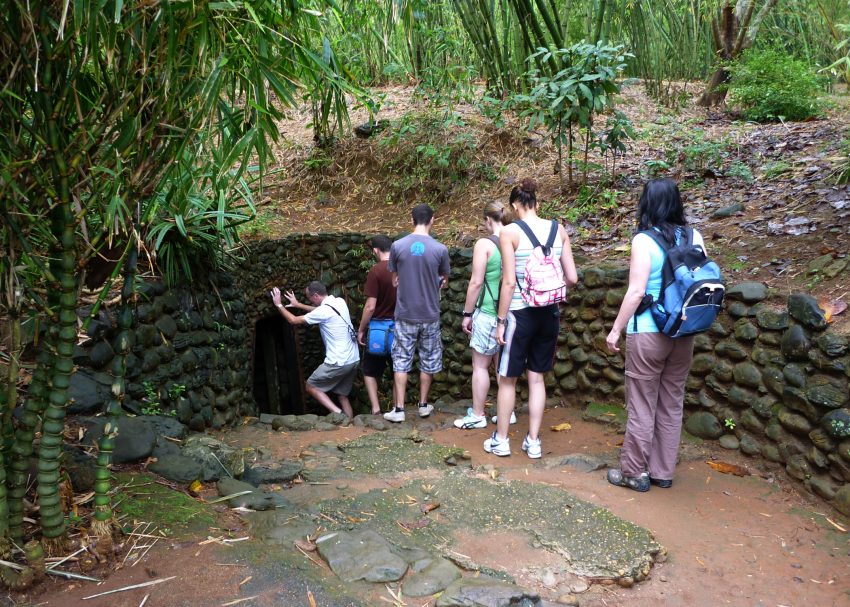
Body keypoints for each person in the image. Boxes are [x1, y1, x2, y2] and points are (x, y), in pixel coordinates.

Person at [604, 179, 703, 491]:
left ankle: (634, 471)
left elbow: (636, 293)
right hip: (683, 331)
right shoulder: (694, 235)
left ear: (647, 204)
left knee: (642, 404)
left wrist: (616, 330)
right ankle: (662, 471)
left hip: (648, 331)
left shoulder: (644, 241)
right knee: (672, 402)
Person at [485, 179, 578, 458]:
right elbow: (572, 277)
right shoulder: (558, 229)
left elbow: (509, 283)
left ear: (514, 204)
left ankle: (501, 440)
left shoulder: (510, 233)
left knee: (507, 379)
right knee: (537, 379)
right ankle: (534, 441)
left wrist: (500, 321)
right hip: (549, 314)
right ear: (537, 202)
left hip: (519, 314)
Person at [383, 203, 451, 423]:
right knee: (428, 360)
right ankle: (423, 405)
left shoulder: (397, 246)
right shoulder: (440, 249)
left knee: (401, 360)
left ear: (411, 220)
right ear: (432, 220)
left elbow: (394, 280)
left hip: (404, 314)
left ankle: (399, 409)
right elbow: (444, 281)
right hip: (430, 314)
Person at [454, 201, 512, 430]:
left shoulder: (485, 244)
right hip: (508, 313)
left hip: (488, 311)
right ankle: (507, 413)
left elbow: (476, 282)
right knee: (502, 366)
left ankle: (478, 414)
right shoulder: (514, 239)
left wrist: (467, 314)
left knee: (480, 365)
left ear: (488, 220)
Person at [270, 282, 359, 419]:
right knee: (342, 396)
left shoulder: (323, 311)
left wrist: (278, 304)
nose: (309, 300)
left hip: (338, 361)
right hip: (353, 359)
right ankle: (352, 425)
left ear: (316, 295)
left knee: (311, 386)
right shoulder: (339, 302)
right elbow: (319, 312)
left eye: (309, 298)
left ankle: (338, 414)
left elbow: (293, 320)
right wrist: (298, 305)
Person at [357, 235, 397, 415]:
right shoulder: (401, 268)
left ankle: (375, 409)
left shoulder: (375, 271)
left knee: (370, 370)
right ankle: (398, 407)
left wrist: (361, 329)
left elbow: (370, 306)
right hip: (400, 327)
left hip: (379, 329)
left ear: (376, 250)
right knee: (399, 369)